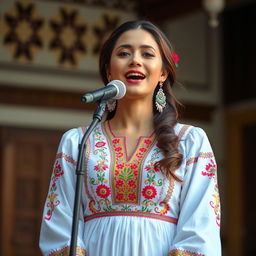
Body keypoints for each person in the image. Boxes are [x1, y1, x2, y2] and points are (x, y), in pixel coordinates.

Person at [39, 20, 221, 256]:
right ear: (109, 70)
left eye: (147, 54)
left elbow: (201, 225)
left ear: (163, 73)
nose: (135, 60)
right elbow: (60, 222)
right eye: (124, 53)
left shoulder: (190, 141)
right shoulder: (78, 141)